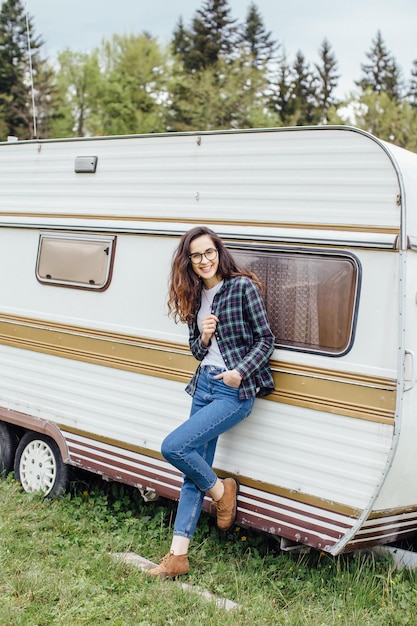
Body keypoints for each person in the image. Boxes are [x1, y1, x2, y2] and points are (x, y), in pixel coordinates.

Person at [147, 226, 275, 579]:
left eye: (209, 252)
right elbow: (195, 350)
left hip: (232, 390)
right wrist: (203, 336)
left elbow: (266, 340)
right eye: (196, 255)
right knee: (193, 469)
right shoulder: (192, 295)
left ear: (219, 252)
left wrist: (240, 372)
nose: (204, 261)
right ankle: (177, 557)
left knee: (173, 447)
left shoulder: (241, 287)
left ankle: (222, 491)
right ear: (188, 261)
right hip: (203, 384)